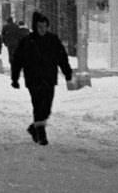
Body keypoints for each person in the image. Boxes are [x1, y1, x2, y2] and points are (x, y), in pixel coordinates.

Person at [9, 11, 72, 146]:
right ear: (35, 27)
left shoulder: (53, 40)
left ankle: (34, 128)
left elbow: (62, 57)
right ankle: (41, 134)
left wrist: (67, 72)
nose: (43, 29)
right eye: (40, 27)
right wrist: (14, 79)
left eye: (45, 27)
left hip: (49, 78)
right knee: (38, 105)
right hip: (33, 79)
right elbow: (17, 61)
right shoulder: (27, 41)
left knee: (47, 107)